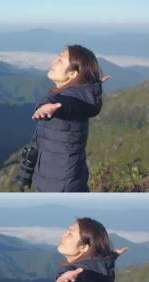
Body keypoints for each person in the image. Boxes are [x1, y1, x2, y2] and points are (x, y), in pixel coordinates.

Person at [30, 45, 105, 192]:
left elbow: (67, 103)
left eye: (60, 60)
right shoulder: (80, 94)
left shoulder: (71, 100)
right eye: (57, 57)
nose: (53, 61)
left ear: (72, 75)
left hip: (60, 184)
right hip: (58, 178)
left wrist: (47, 104)